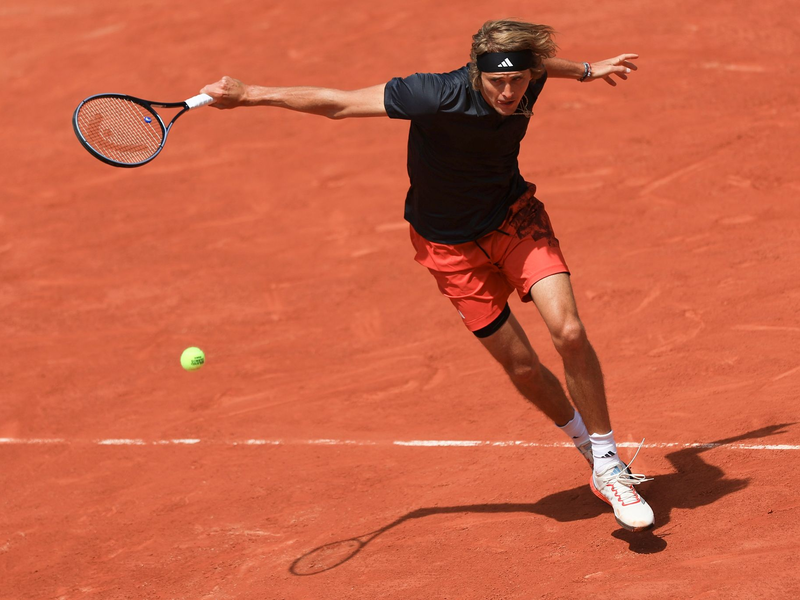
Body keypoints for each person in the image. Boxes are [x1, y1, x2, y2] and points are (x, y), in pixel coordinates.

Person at [200, 18, 654, 532]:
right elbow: (339, 104)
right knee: (524, 368)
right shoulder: (432, 94)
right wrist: (249, 94)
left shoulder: (528, 76)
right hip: (448, 248)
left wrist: (588, 70)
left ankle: (609, 464)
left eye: (517, 80)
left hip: (514, 221)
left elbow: (542, 63)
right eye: (496, 82)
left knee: (568, 332)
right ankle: (585, 447)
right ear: (476, 72)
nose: (508, 93)